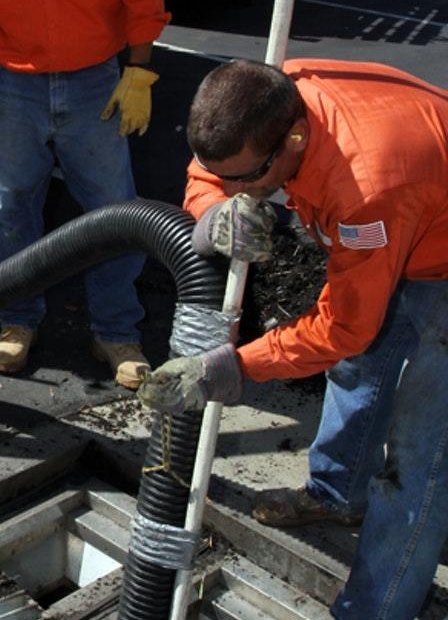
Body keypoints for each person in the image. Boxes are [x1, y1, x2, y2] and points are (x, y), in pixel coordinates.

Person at [138, 58, 448, 619]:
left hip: (436, 245)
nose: (237, 189)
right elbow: (211, 170)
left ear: (296, 140)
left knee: (420, 457)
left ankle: (375, 611)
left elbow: (343, 327)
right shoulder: (262, 102)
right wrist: (214, 213)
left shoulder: (368, 188)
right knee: (356, 367)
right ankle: (336, 496)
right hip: (418, 210)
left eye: (246, 179)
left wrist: (231, 368)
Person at [0, 0, 171, 388]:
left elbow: (143, 4)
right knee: (11, 207)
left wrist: (139, 71)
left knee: (115, 211)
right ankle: (17, 319)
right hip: (14, 83)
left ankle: (116, 332)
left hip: (94, 80)